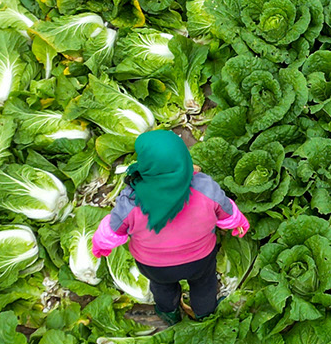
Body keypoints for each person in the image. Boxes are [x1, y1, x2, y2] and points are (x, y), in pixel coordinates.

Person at [90, 130, 250, 326]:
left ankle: (168, 313)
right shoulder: (204, 187)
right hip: (199, 259)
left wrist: (100, 246)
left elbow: (112, 230)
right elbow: (227, 211)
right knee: (204, 285)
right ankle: (205, 313)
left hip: (154, 266)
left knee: (162, 288)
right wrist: (239, 223)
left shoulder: (131, 199)